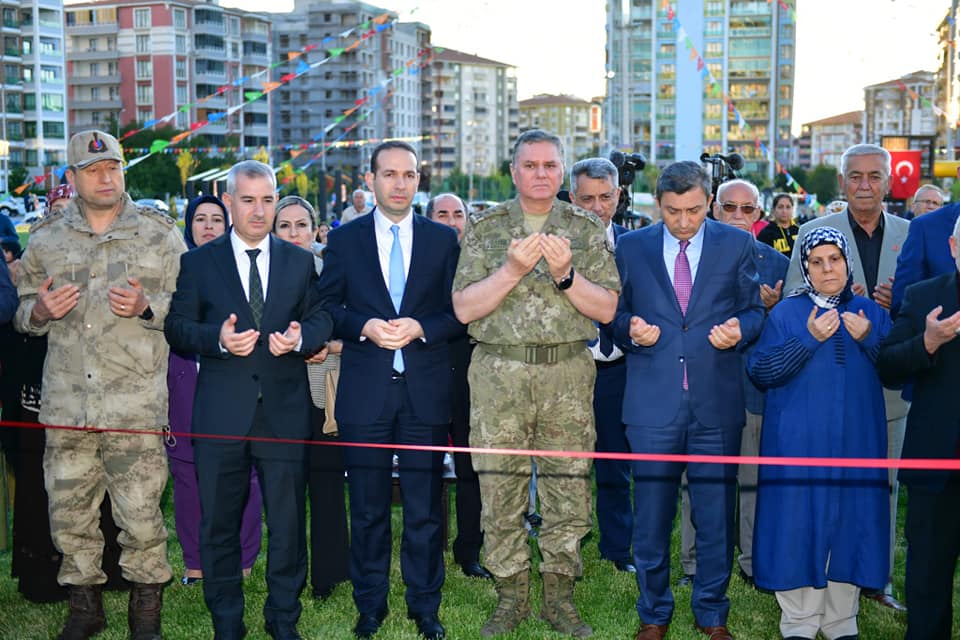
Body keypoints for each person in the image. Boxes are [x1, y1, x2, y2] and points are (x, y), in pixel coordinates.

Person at [13, 129, 185, 640]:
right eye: (92, 170)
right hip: (68, 406)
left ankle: (145, 611)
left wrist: (149, 308)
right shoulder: (45, 240)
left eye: (112, 167)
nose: (105, 177)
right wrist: (39, 312)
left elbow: (191, 309)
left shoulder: (159, 235)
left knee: (142, 515)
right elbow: (22, 311)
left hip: (135, 405)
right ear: (72, 177)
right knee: (69, 515)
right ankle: (84, 606)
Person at [453, 129, 620, 638]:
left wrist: (566, 274)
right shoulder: (486, 227)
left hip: (566, 373)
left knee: (568, 488)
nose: (541, 174)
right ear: (514, 171)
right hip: (499, 374)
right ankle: (510, 595)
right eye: (530, 165)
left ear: (562, 171)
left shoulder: (584, 227)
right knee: (499, 488)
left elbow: (607, 308)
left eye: (550, 165)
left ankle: (559, 597)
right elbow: (464, 308)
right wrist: (511, 269)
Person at [165, 160, 332, 640]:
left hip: (283, 413)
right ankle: (226, 623)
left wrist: (302, 338)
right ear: (229, 201)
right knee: (218, 525)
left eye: (267, 200)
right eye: (248, 200)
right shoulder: (199, 262)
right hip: (221, 414)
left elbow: (321, 316)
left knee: (287, 525)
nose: (259, 211)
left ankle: (283, 619)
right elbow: (177, 327)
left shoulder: (299, 261)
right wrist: (216, 339)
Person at [316, 141, 462, 640]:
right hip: (366, 392)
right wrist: (364, 326)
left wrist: (422, 327)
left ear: (419, 180)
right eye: (390, 174)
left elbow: (458, 313)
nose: (400, 184)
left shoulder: (442, 240)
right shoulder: (345, 240)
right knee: (368, 508)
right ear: (371, 179)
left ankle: (425, 605)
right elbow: (327, 306)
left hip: (425, 391)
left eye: (409, 175)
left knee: (424, 510)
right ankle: (370, 605)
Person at [613, 161, 764, 640]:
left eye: (694, 211)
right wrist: (629, 329)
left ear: (709, 202)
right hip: (650, 406)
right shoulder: (631, 246)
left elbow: (754, 310)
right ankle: (654, 612)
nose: (683, 221)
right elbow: (613, 315)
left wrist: (740, 329)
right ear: (657, 204)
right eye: (673, 211)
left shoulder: (736, 243)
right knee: (651, 517)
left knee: (714, 517)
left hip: (715, 403)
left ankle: (712, 613)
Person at [785, 143, 910, 612]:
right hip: (829, 387)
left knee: (883, 487)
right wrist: (831, 297)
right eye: (855, 176)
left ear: (888, 183)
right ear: (841, 182)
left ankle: (878, 578)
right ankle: (822, 569)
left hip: (889, 385)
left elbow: (927, 300)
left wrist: (897, 302)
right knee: (825, 483)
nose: (864, 185)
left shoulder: (910, 234)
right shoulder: (813, 232)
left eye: (874, 176)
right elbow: (792, 300)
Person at [749, 228, 890, 640]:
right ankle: (799, 621)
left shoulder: (870, 312)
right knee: (796, 521)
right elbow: (761, 370)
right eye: (817, 261)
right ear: (805, 268)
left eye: (835, 259)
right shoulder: (786, 314)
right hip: (797, 442)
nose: (828, 268)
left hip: (858, 441)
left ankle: (841, 620)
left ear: (848, 263)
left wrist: (870, 338)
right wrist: (808, 340)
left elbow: (898, 367)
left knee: (852, 521)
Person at [678, 178, 789, 588]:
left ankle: (752, 561)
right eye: (729, 207)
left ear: (759, 214)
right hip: (702, 388)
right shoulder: (689, 257)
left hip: (755, 391)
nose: (738, 216)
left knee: (752, 481)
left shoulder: (779, 265)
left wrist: (772, 311)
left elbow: (791, 332)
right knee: (699, 481)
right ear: (714, 208)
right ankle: (694, 563)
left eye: (747, 208)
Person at [165, 195, 263, 587]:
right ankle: (195, 563)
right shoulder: (176, 268)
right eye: (200, 219)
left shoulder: (248, 268)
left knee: (246, 473)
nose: (208, 226)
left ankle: (244, 558)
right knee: (188, 475)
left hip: (239, 387)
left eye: (216, 219)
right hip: (187, 380)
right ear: (189, 226)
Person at [877, 215, 960, 640]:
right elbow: (888, 364)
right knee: (928, 579)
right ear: (954, 248)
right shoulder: (924, 295)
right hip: (937, 465)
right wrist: (928, 342)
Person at [272, 194, 350, 602]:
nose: (293, 233)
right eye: (284, 226)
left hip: (325, 395)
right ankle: (289, 573)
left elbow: (353, 330)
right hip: (279, 396)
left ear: (315, 229)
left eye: (301, 225)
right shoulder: (261, 274)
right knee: (285, 491)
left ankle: (329, 573)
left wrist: (329, 346)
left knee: (327, 484)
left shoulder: (332, 273)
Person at [568, 157, 635, 575]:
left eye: (605, 197)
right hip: (570, 369)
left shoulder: (637, 245)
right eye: (587, 199)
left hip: (620, 370)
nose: (597, 207)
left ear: (619, 195)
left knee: (615, 463)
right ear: (572, 199)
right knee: (567, 466)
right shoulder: (554, 248)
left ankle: (618, 548)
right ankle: (566, 546)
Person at [425, 192, 491, 580]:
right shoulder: (418, 261)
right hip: (429, 376)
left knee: (471, 469)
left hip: (471, 377)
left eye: (458, 214)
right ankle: (429, 548)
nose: (451, 221)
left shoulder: (482, 264)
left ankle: (469, 550)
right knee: (427, 469)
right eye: (442, 214)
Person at [891, 177, 960, 316]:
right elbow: (903, 305)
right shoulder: (924, 226)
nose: (930, 206)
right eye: (926, 202)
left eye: (935, 203)